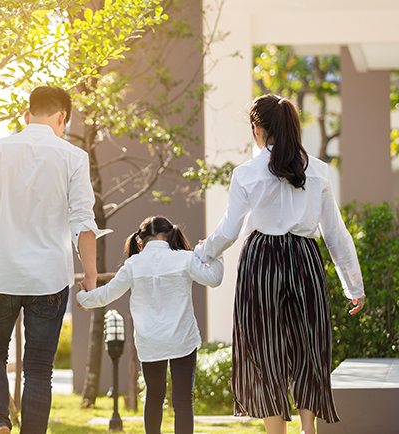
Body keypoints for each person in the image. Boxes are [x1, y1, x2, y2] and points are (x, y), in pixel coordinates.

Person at [194, 94, 366, 434]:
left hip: (261, 262)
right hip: (305, 260)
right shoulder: (317, 170)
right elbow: (335, 233)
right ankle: (308, 429)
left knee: (262, 348)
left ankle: (276, 432)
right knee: (309, 346)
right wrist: (354, 286)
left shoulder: (246, 173)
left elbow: (230, 230)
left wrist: (202, 253)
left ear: (258, 129)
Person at [0, 86, 106, 434]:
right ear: (62, 118)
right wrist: (90, 275)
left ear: (27, 116)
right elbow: (83, 222)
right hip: (49, 279)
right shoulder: (73, 157)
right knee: (39, 370)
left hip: (1, 275)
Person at [77, 216, 224, 434]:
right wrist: (215, 253)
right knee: (183, 400)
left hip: (151, 342)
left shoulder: (134, 264)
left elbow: (107, 294)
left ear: (140, 241)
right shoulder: (185, 258)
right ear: (171, 234)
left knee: (154, 396)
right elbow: (214, 278)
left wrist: (82, 298)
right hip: (182, 339)